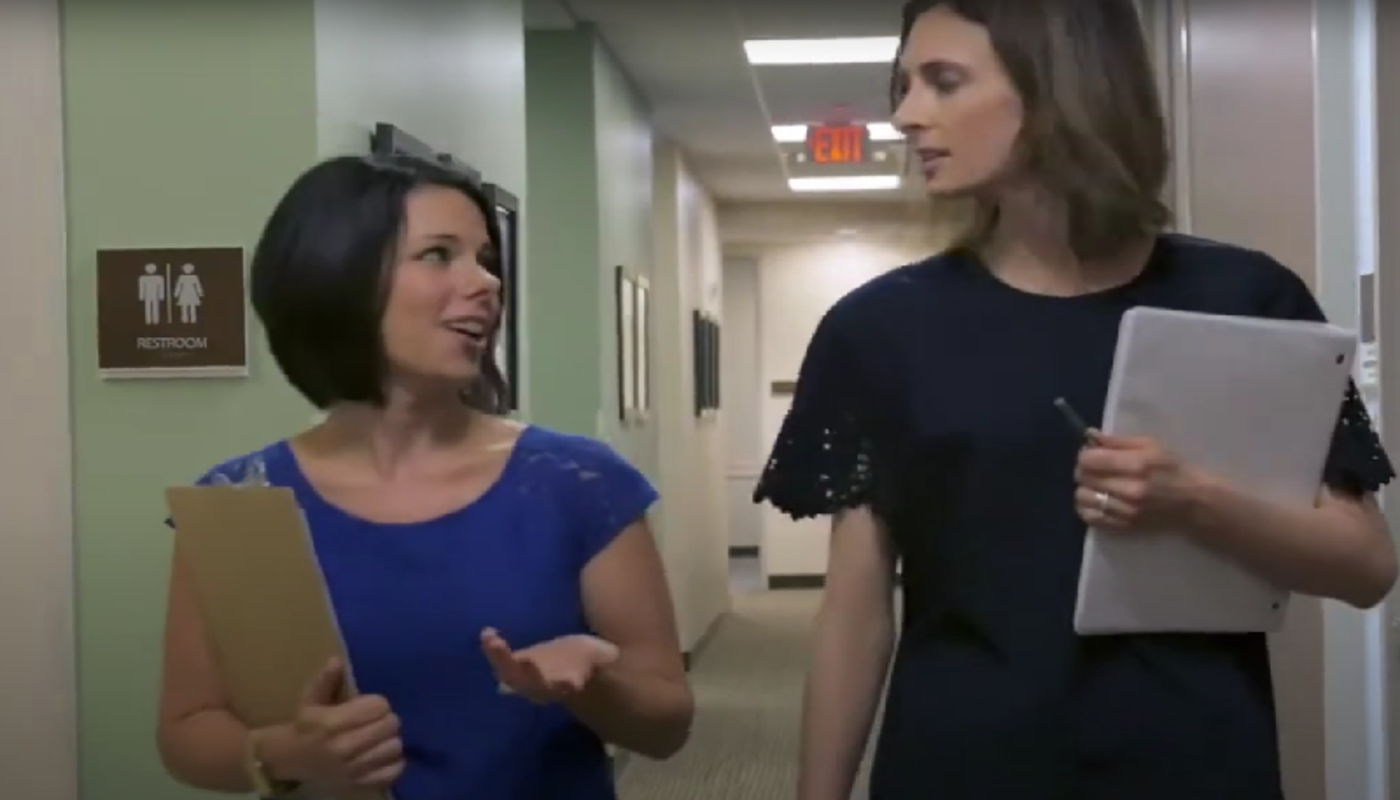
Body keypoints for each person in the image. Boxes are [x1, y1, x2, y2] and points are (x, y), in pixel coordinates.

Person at [753, 2, 1398, 799]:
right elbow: (855, 614)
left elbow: (1365, 565)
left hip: (1191, 765)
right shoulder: (879, 330)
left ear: (1058, 87)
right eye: (904, 85)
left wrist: (1192, 499)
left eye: (944, 82)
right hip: (961, 766)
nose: (905, 114)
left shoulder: (1247, 299)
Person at [156, 154, 693, 800]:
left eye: (486, 259)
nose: (486, 283)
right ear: (339, 277)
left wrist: (591, 684)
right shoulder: (238, 502)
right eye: (439, 255)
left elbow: (669, 723)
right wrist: (286, 754)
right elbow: (187, 729)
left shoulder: (580, 484)